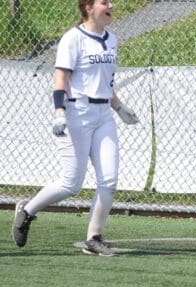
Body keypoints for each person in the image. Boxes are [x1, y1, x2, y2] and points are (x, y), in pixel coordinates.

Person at [12, 0, 139, 256]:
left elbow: (102, 81)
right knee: (71, 184)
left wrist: (119, 107)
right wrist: (60, 113)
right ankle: (27, 211)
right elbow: (61, 80)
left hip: (104, 114)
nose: (111, 5)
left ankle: (94, 238)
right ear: (89, 8)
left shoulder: (111, 39)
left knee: (109, 180)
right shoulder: (73, 39)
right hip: (76, 114)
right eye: (105, 2)